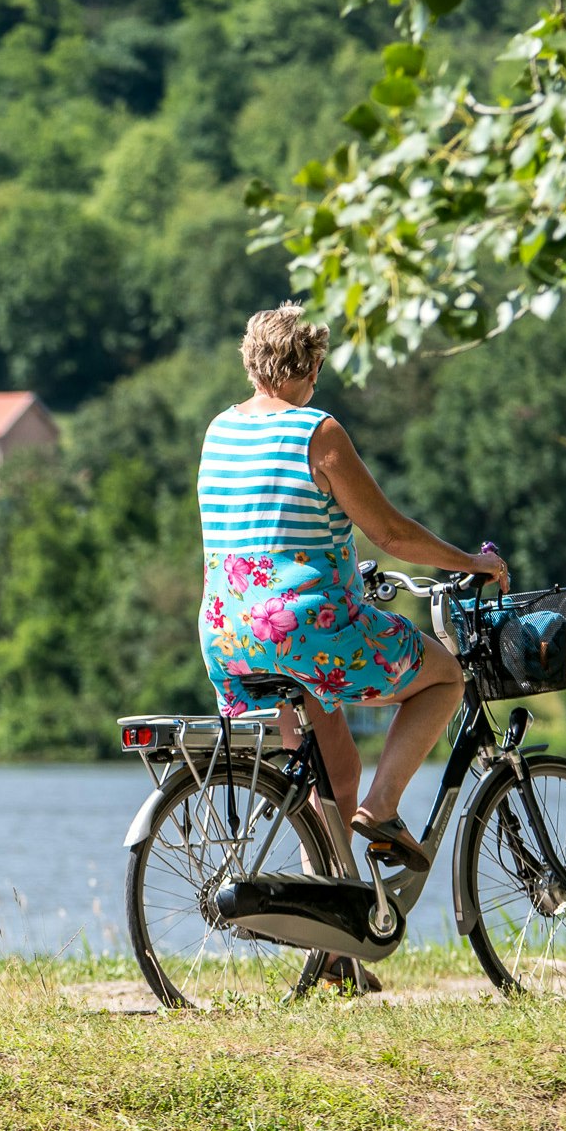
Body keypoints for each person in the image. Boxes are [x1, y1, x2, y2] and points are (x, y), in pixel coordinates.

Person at [197, 304, 507, 871]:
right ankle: (383, 809)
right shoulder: (318, 432)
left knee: (335, 771)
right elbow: (389, 531)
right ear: (309, 366)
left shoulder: (220, 431)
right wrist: (467, 561)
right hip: (306, 632)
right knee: (445, 677)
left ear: (251, 364)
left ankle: (332, 943)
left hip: (228, 637)